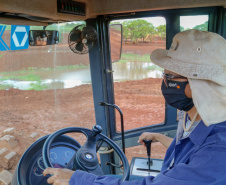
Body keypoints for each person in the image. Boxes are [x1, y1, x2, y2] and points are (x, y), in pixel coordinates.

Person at [43, 29, 226, 184]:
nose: (163, 82)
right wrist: (159, 136)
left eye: (169, 78)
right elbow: (188, 154)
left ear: (198, 85)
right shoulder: (194, 115)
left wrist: (78, 179)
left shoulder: (219, 152)